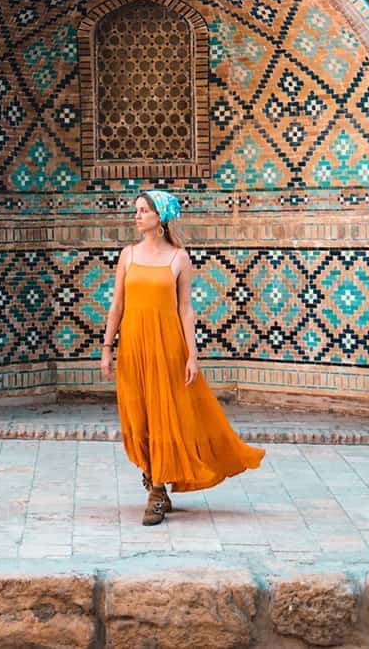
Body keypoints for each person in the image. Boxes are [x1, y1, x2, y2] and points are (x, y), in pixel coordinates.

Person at [99, 189, 264, 524]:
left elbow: (186, 309)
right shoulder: (128, 255)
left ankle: (158, 491)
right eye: (136, 211)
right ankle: (152, 475)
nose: (137, 216)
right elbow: (117, 305)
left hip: (167, 346)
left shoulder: (178, 259)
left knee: (164, 414)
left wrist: (192, 354)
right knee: (137, 415)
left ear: (159, 217)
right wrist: (106, 348)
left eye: (144, 210)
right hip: (133, 346)